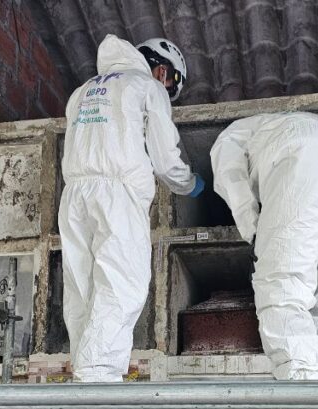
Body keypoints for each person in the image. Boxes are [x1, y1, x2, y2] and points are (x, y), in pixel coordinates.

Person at [60, 34, 204, 382]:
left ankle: (84, 379)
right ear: (158, 66)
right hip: (118, 194)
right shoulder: (145, 87)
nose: (165, 86)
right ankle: (96, 385)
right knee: (121, 284)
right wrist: (192, 185)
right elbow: (166, 160)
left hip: (75, 195)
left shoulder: (82, 92)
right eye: (169, 80)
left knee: (83, 291)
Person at [210, 112, 318, 380]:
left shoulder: (230, 136)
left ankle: (301, 384)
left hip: (300, 146)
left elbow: (231, 179)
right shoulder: (265, 125)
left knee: (283, 283)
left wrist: (254, 229)